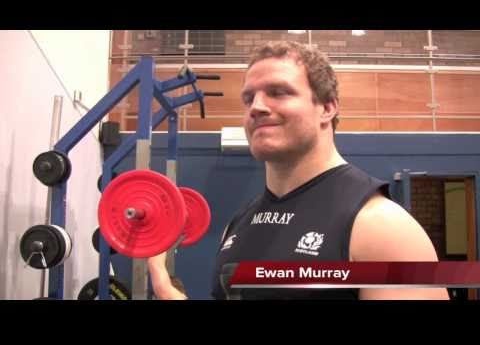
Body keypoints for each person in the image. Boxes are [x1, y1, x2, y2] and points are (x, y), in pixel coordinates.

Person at [148, 40, 450, 300]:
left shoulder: (381, 227)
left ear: (327, 108)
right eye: (248, 98)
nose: (256, 107)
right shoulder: (238, 225)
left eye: (278, 92)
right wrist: (162, 282)